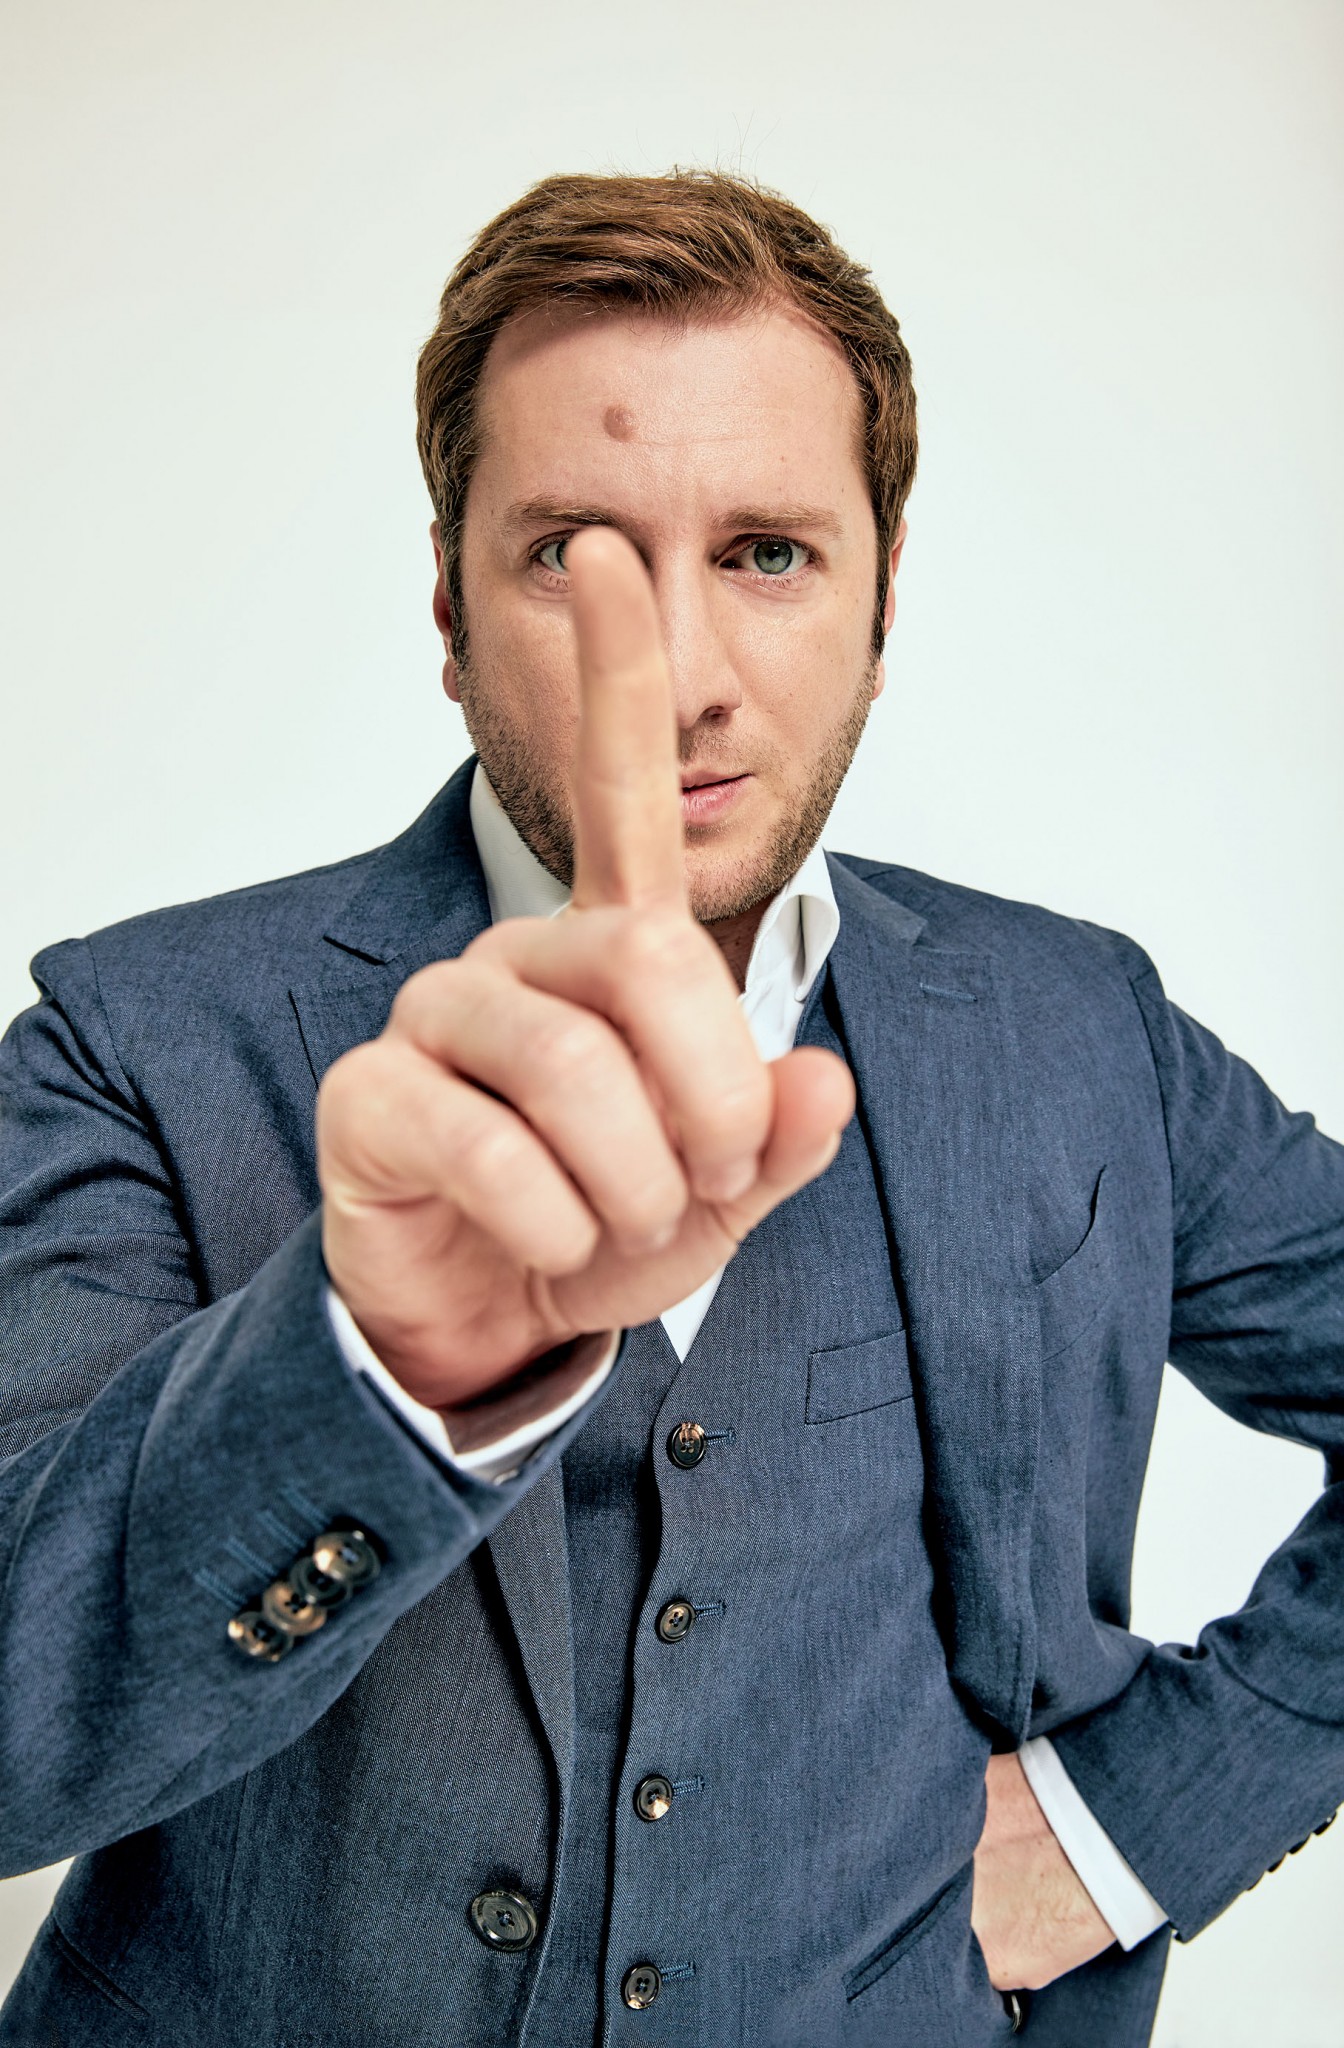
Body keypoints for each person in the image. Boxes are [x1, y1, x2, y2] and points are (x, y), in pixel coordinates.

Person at [0, 169, 1339, 2048]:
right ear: (449, 606)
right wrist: (370, 1367)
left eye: (768, 553)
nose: (685, 681)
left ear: (884, 603)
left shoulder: (1082, 1025)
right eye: (573, 552)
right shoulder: (130, 1038)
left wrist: (1140, 1824)